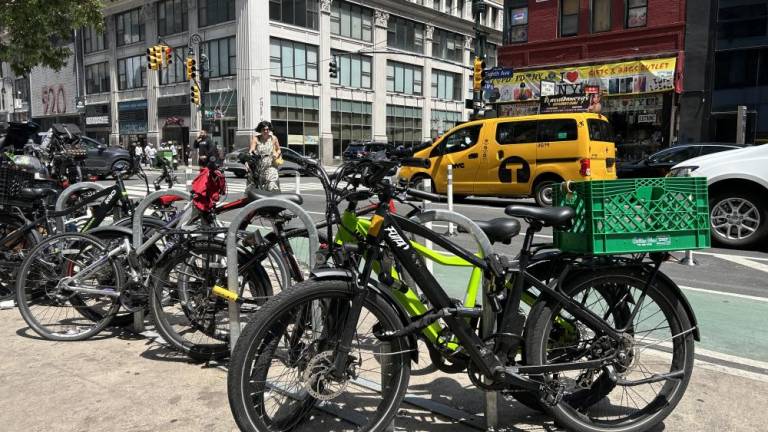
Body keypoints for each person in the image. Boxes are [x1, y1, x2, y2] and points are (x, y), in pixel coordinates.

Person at [249, 121, 282, 192]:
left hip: (271, 165)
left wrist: (276, 154)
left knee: (272, 183)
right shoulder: (256, 139)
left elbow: (279, 150)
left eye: (267, 129)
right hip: (259, 166)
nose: (266, 131)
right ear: (260, 130)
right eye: (263, 129)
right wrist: (251, 154)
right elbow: (251, 150)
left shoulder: (273, 138)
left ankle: (274, 199)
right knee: (257, 187)